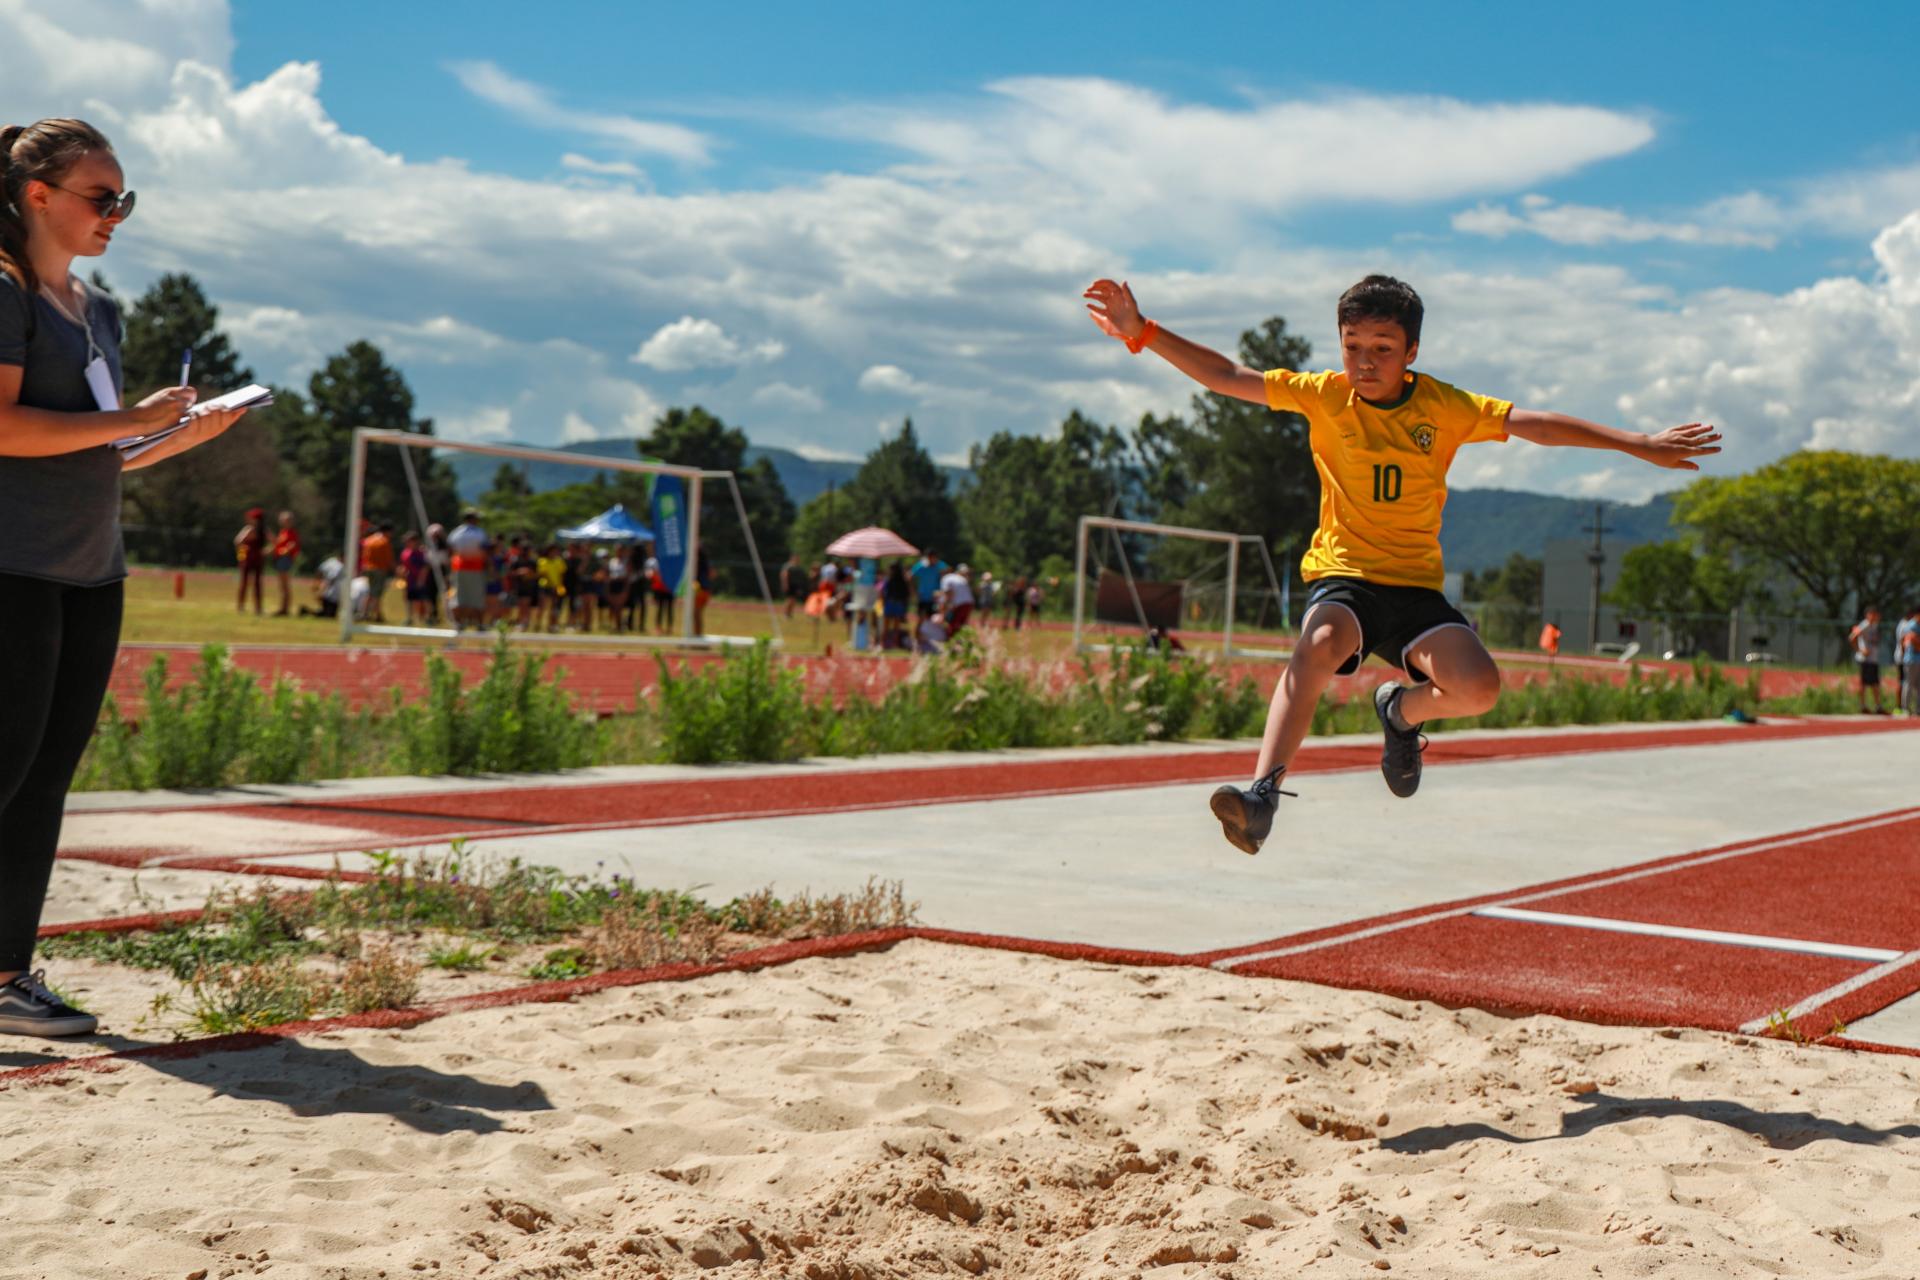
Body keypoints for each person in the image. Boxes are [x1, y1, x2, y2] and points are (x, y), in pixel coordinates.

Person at [1083, 273, 1722, 855]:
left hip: (1415, 588)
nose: (1365, 361)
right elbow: (1227, 375)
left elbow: (1539, 426)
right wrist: (1143, 333)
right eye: (1352, 344)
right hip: (1346, 577)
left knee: (1480, 689)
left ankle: (1400, 712)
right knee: (1320, 643)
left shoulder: (1443, 407)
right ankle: (1262, 796)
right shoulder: (1324, 397)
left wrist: (1638, 444)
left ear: (1411, 352)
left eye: (1383, 347)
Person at [0, 117, 248, 1035]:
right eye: (103, 199)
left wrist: (177, 433)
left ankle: (3, 978)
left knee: (44, 780)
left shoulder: (98, 308)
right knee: (3, 767)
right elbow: (8, 429)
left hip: (90, 569)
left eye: (124, 201)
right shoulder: (5, 293)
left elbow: (103, 450)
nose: (117, 215)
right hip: (11, 562)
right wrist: (127, 422)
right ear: (37, 196)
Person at [446, 509, 487, 631]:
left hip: (459, 567)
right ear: (472, 519)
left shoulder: (456, 532)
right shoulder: (479, 533)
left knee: (460, 596)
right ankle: (479, 624)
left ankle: (459, 623)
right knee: (477, 597)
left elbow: (450, 549)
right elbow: (484, 549)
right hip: (476, 567)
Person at [1849, 605, 1887, 715]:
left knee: (1875, 683)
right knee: (1864, 683)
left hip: (1873, 659)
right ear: (1868, 615)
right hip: (1865, 659)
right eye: (1874, 614)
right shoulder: (1864, 625)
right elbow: (1852, 637)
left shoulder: (1874, 626)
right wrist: (1860, 650)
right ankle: (1863, 706)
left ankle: (1878, 706)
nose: (1877, 617)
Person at [233, 505, 267, 614]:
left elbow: (238, 541)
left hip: (256, 560)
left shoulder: (262, 531)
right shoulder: (249, 529)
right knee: (245, 583)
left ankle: (257, 608)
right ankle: (242, 606)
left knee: (256, 584)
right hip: (248, 560)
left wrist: (266, 551)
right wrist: (242, 555)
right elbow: (238, 542)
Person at [359, 521, 394, 623]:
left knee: (371, 593)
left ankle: (365, 613)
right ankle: (377, 615)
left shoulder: (368, 540)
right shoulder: (384, 541)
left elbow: (364, 556)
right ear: (387, 531)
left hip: (368, 569)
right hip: (379, 570)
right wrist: (395, 569)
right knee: (377, 594)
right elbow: (389, 559)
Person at [270, 509, 300, 616]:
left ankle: (284, 609)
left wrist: (283, 552)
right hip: (281, 559)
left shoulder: (291, 533)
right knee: (282, 586)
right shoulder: (283, 532)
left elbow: (291, 546)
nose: (282, 521)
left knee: (285, 585)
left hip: (285, 559)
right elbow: (278, 544)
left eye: (285, 520)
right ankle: (283, 608)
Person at [299, 552, 345, 618]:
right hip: (331, 596)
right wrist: (321, 592)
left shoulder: (331, 561)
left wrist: (316, 584)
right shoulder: (340, 566)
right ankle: (306, 611)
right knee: (328, 615)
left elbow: (319, 571)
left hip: (328, 594)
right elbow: (330, 581)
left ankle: (305, 610)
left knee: (326, 613)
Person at [910, 548, 947, 622]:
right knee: (921, 619)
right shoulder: (921, 566)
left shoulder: (940, 565)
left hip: (935, 598)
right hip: (923, 597)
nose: (934, 560)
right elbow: (910, 577)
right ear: (928, 557)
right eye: (931, 557)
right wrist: (913, 590)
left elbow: (947, 574)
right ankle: (919, 633)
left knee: (933, 619)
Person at [881, 561, 911, 650]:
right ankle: (893, 643)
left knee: (888, 625)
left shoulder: (890, 580)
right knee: (895, 626)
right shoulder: (901, 580)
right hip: (897, 603)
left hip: (892, 603)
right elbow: (906, 594)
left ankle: (885, 643)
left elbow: (884, 593)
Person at [940, 562, 976, 632]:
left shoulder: (946, 578)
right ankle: (962, 640)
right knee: (962, 625)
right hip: (969, 603)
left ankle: (951, 640)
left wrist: (945, 609)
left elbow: (949, 594)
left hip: (960, 603)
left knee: (954, 625)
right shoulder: (960, 578)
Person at [780, 552, 808, 618]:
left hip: (796, 586)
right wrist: (785, 584)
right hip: (790, 585)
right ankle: (786, 614)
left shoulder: (797, 566)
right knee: (789, 600)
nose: (797, 559)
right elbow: (784, 575)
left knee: (794, 600)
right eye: (796, 558)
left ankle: (789, 614)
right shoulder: (788, 566)